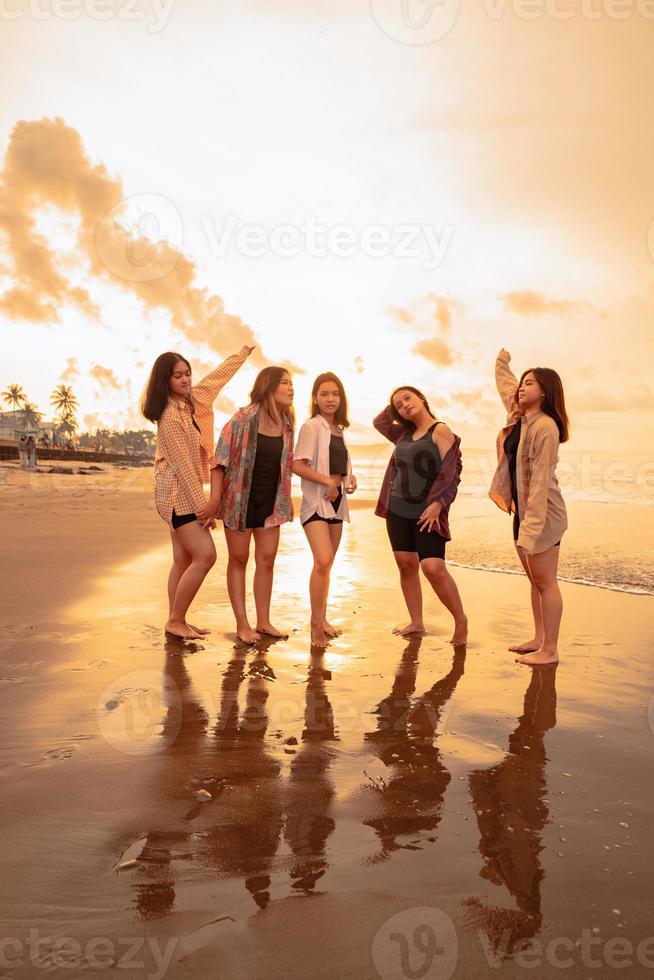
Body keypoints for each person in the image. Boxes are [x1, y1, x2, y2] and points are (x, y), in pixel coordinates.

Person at [142, 345, 254, 640]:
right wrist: (204, 508)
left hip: (178, 492)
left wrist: (240, 355)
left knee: (182, 560)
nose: (185, 379)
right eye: (177, 375)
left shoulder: (193, 401)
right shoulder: (169, 416)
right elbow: (182, 468)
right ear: (164, 380)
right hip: (177, 495)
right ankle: (176, 619)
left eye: (187, 374)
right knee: (205, 555)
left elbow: (217, 379)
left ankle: (176, 620)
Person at [490, 348, 569, 666]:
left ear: (546, 392)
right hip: (522, 510)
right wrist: (502, 364)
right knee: (535, 580)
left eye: (530, 383)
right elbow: (506, 386)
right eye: (523, 383)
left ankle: (550, 650)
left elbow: (539, 483)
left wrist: (531, 529)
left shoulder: (545, 427)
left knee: (546, 581)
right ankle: (539, 639)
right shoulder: (521, 415)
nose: (522, 388)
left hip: (542, 515)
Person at [207, 367, 295, 645]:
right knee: (239, 559)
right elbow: (219, 461)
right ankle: (242, 625)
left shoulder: (288, 424)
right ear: (268, 387)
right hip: (239, 502)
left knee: (267, 560)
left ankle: (264, 621)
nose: (291, 388)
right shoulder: (243, 418)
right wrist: (215, 500)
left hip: (272, 503)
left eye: (292, 383)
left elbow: (292, 464)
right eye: (285, 383)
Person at [373, 386, 467, 644]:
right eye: (399, 405)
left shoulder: (440, 431)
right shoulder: (403, 434)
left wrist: (439, 503)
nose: (404, 405)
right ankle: (416, 621)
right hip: (397, 509)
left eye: (408, 398)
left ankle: (461, 621)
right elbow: (379, 421)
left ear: (422, 398)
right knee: (406, 566)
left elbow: (452, 472)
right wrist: (396, 407)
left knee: (433, 567)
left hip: (427, 512)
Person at [292, 372, 357, 648]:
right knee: (322, 560)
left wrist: (346, 480)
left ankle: (323, 619)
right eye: (324, 394)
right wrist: (327, 481)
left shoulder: (339, 431)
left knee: (327, 565)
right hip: (315, 504)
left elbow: (337, 467)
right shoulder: (312, 427)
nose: (330, 399)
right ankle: (315, 625)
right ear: (316, 399)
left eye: (335, 394)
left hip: (337, 504)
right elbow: (298, 465)